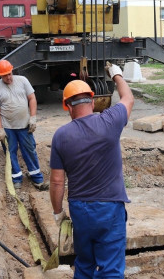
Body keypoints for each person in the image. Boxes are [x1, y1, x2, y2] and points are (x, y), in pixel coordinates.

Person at [50, 63, 134, 278]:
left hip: (80, 209)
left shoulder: (61, 136)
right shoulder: (110, 121)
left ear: (68, 107)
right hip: (109, 207)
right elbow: (128, 99)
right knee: (111, 267)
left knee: (85, 263)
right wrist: (116, 75)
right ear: (92, 100)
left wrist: (58, 212)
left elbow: (57, 181)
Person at [0, 60, 48, 190]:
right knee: (10, 153)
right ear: (0, 75)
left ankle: (37, 178)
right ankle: (16, 178)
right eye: (5, 75)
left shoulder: (22, 81)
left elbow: (32, 98)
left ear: (12, 71)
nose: (8, 77)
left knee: (29, 150)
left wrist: (32, 118)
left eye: (9, 74)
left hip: (24, 125)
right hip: (8, 127)